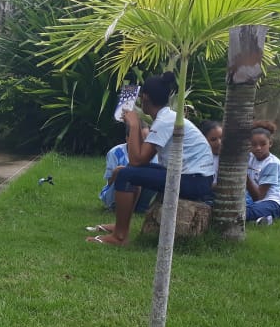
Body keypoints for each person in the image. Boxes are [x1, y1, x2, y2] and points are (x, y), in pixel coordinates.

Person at [86, 71, 214, 246]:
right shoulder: (167, 118)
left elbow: (137, 160)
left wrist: (134, 125)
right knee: (129, 172)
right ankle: (120, 227)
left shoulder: (164, 122)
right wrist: (136, 126)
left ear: (145, 97)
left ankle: (119, 236)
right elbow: (140, 160)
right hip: (193, 178)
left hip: (193, 181)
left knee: (125, 175)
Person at [98, 128, 156, 214]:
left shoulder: (151, 153)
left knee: (154, 177)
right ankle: (116, 205)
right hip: (117, 190)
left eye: (146, 140)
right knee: (122, 173)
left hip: (141, 188)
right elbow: (110, 182)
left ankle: (141, 208)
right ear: (127, 138)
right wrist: (117, 172)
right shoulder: (115, 152)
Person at [245, 121, 280, 225]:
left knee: (243, 212)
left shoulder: (272, 163)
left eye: (263, 144)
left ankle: (266, 215)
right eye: (254, 144)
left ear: (270, 143)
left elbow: (259, 197)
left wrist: (244, 176)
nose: (258, 148)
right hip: (251, 200)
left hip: (271, 202)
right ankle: (265, 219)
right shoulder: (250, 157)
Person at [199, 119, 223, 185]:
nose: (219, 142)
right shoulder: (201, 160)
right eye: (213, 139)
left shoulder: (230, 157)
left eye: (221, 137)